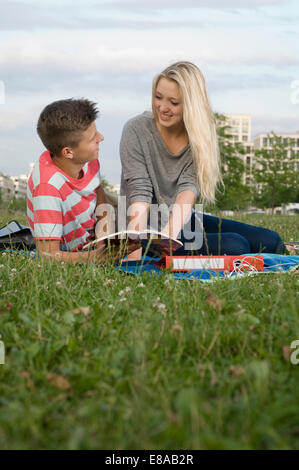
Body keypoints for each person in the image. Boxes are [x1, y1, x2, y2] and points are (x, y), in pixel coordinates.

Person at [120, 61, 285, 259]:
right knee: (235, 246)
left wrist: (170, 236)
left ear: (191, 105)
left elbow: (187, 189)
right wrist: (135, 245)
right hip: (145, 228)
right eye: (158, 97)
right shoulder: (136, 130)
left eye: (173, 102)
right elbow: (140, 191)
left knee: (271, 241)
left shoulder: (198, 136)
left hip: (181, 220)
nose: (162, 107)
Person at [27, 98, 139, 263]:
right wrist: (97, 257)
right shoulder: (48, 187)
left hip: (91, 238)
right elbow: (47, 255)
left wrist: (104, 242)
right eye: (93, 138)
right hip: (72, 250)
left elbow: (101, 202)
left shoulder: (89, 161)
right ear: (68, 152)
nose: (101, 138)